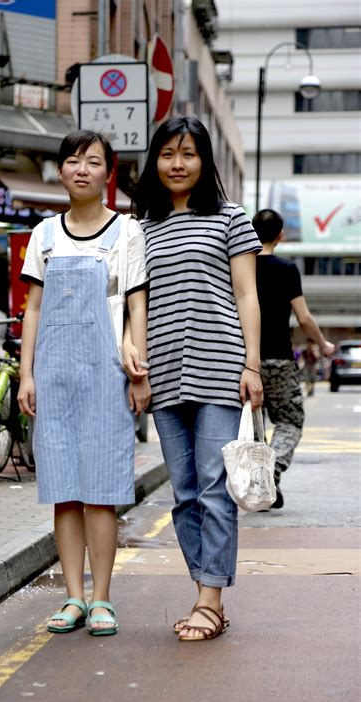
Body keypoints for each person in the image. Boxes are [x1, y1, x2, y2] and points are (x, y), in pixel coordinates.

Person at [127, 116, 263, 641]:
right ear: (154, 161)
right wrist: (134, 362)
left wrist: (251, 366)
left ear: (204, 160)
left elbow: (247, 295)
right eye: (167, 154)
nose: (177, 164)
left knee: (213, 486)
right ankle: (207, 588)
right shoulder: (140, 228)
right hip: (162, 372)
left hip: (220, 367)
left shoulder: (230, 218)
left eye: (187, 153)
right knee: (183, 492)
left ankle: (209, 600)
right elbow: (131, 304)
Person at [18, 129, 150, 636]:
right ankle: (72, 597)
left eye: (92, 161)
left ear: (107, 173)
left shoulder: (127, 232)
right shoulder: (44, 234)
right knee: (63, 491)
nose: (81, 169)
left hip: (107, 374)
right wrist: (27, 374)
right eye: (72, 160)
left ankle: (101, 598)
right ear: (60, 171)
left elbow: (136, 304)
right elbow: (32, 309)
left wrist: (139, 373)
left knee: (101, 489)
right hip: (54, 375)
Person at [252, 209, 335, 507]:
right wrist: (323, 343)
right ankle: (271, 469)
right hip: (279, 360)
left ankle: (256, 477)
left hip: (243, 361)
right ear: (281, 235)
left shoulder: (239, 267)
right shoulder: (287, 270)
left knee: (252, 423)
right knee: (289, 421)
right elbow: (304, 317)